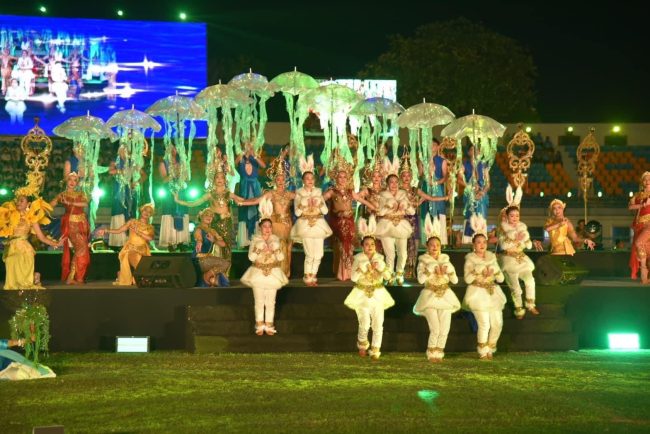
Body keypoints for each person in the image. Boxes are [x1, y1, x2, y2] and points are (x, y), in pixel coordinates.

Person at [173, 170, 246, 273]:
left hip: (226, 224)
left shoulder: (229, 194)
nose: (220, 179)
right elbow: (194, 203)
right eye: (217, 177)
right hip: (214, 223)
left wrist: (260, 198)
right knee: (214, 245)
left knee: (226, 247)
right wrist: (178, 201)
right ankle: (213, 274)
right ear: (213, 180)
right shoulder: (210, 194)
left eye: (222, 177)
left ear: (225, 180)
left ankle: (224, 274)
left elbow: (243, 200)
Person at [344, 217, 394, 361]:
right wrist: (361, 269)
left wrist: (382, 268)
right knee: (364, 322)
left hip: (378, 294)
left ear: (376, 246)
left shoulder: (380, 259)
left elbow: (388, 276)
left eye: (372, 244)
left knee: (378, 323)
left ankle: (376, 348)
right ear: (362, 246)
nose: (370, 247)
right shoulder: (358, 259)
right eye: (367, 244)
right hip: (362, 295)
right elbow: (353, 277)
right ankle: (362, 344)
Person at [239, 155, 296, 277]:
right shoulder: (271, 193)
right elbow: (257, 200)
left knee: (288, 250)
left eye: (283, 179)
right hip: (277, 225)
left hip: (288, 224)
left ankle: (286, 273)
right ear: (275, 181)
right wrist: (243, 202)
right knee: (279, 248)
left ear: (286, 180)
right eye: (278, 179)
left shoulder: (290, 194)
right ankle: (278, 273)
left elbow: (303, 198)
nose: (280, 181)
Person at [413, 215, 461, 362]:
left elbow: (455, 280)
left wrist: (448, 271)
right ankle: (431, 351)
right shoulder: (423, 261)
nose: (435, 248)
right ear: (427, 247)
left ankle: (439, 352)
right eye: (432, 245)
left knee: (445, 328)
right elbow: (421, 279)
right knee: (435, 328)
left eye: (437, 245)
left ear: (441, 247)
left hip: (446, 296)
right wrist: (431, 269)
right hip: (429, 296)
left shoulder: (446, 261)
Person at [323, 155, 376, 281]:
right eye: (340, 177)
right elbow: (320, 199)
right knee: (343, 245)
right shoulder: (332, 191)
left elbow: (360, 199)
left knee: (349, 246)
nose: (342, 179)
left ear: (347, 179)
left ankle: (347, 272)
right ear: (336, 178)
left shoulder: (350, 191)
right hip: (338, 222)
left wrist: (373, 207)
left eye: (344, 177)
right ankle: (342, 274)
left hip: (350, 221)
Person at [1, 194, 64, 290]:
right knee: (10, 260)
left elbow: (42, 237)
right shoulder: (10, 215)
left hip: (24, 249)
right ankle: (34, 277)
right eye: (18, 200)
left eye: (22, 201)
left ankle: (33, 277)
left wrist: (57, 244)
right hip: (12, 247)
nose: (18, 203)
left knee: (17, 262)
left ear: (28, 204)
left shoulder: (32, 218)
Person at [400, 155, 447, 280]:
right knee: (402, 248)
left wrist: (444, 197)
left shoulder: (415, 190)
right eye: (404, 175)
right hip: (400, 222)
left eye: (408, 175)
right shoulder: (397, 190)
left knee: (414, 247)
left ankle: (411, 270)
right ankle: (401, 271)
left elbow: (430, 198)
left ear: (411, 177)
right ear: (400, 177)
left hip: (413, 221)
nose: (406, 178)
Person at [463, 230, 507, 360]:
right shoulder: (470, 260)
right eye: (478, 242)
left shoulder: (491, 258)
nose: (481, 245)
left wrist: (495, 272)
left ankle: (491, 347)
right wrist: (478, 271)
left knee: (498, 323)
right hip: (477, 294)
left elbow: (501, 279)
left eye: (484, 242)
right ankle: (483, 350)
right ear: (474, 245)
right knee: (484, 324)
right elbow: (467, 279)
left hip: (493, 294)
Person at [240, 217, 288, 336]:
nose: (267, 229)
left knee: (271, 301)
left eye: (269, 226)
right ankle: (259, 324)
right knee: (259, 301)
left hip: (273, 272)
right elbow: (251, 258)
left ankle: (269, 324)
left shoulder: (276, 240)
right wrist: (259, 248)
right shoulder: (255, 240)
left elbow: (281, 258)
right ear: (260, 228)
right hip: (258, 273)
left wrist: (275, 250)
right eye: (265, 226)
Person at [290, 155, 333, 286]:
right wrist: (303, 203)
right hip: (305, 224)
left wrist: (319, 203)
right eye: (307, 178)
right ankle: (307, 277)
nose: (310, 180)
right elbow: (297, 212)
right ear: (303, 180)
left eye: (312, 178)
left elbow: (325, 211)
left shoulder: (319, 192)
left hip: (319, 224)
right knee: (309, 254)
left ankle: (313, 275)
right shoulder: (299, 193)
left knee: (319, 254)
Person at [498, 199, 538, 319]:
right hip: (509, 260)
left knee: (530, 280)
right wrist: (516, 239)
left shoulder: (522, 229)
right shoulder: (503, 229)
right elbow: (503, 246)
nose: (515, 218)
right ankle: (519, 308)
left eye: (517, 215)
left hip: (521, 259)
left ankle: (530, 304)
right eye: (512, 215)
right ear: (507, 216)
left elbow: (528, 245)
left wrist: (526, 240)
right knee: (516, 288)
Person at [49, 172, 90, 285]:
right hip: (70, 223)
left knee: (81, 250)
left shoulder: (81, 193)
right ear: (66, 181)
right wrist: (43, 206)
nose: (72, 182)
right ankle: (75, 277)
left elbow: (85, 204)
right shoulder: (62, 194)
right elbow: (50, 204)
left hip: (82, 223)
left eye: (74, 180)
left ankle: (73, 277)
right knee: (82, 249)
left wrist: (70, 202)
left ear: (77, 183)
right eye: (70, 180)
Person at [100, 203, 155, 286]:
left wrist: (138, 232)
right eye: (145, 210)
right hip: (131, 249)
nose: (146, 213)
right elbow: (119, 230)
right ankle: (135, 278)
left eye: (149, 212)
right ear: (141, 211)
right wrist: (107, 230)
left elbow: (150, 238)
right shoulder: (132, 221)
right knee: (137, 259)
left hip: (143, 250)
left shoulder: (150, 227)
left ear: (151, 215)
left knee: (145, 266)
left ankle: (124, 275)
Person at [375, 172, 414, 285]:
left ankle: (400, 273)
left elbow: (412, 212)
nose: (394, 184)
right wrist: (389, 205)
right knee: (390, 254)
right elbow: (380, 212)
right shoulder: (383, 195)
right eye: (391, 182)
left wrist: (405, 206)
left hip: (401, 225)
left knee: (403, 253)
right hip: (386, 225)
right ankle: (389, 275)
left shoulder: (403, 195)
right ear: (387, 184)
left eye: (396, 182)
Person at [158, 145, 190, 251]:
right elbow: (164, 180)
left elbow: (187, 178)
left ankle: (181, 241)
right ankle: (171, 241)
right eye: (170, 148)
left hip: (181, 191)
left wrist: (181, 173)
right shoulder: (163, 163)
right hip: (169, 192)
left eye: (174, 148)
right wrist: (173, 173)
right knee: (170, 213)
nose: (172, 150)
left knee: (181, 212)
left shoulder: (182, 163)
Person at [235, 143, 266, 247]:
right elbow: (234, 164)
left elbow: (263, 165)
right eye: (247, 145)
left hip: (255, 187)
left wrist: (254, 154)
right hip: (244, 187)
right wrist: (243, 153)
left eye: (251, 145)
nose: (249, 147)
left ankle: (255, 238)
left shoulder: (255, 156)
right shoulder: (240, 156)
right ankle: (245, 240)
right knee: (244, 210)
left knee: (256, 210)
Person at [419, 138, 449, 245]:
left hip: (438, 189)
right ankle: (425, 240)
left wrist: (436, 183)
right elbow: (420, 174)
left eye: (434, 145)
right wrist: (423, 164)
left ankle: (440, 240)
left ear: (438, 147)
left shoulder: (442, 160)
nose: (432, 147)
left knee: (438, 212)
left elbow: (445, 177)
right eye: (429, 144)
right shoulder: (423, 159)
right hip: (426, 188)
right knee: (425, 211)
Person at [458, 144, 490, 244]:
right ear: (469, 152)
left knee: (481, 216)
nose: (475, 151)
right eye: (472, 149)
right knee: (469, 216)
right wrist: (470, 186)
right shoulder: (464, 164)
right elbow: (459, 179)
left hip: (481, 194)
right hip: (469, 194)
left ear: (480, 152)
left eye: (477, 149)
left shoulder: (484, 165)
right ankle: (468, 241)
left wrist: (482, 192)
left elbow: (488, 183)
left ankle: (481, 241)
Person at [108, 145, 138, 248]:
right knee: (119, 211)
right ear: (119, 151)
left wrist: (135, 181)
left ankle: (129, 240)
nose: (125, 152)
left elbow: (141, 175)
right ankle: (118, 242)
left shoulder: (132, 162)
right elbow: (110, 171)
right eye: (123, 150)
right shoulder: (115, 161)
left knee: (130, 212)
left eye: (127, 150)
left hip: (129, 191)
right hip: (119, 191)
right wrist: (120, 171)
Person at [192, 208, 230, 287]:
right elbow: (198, 237)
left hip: (207, 258)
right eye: (206, 215)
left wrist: (214, 240)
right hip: (199, 259)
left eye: (211, 216)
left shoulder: (212, 231)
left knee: (226, 265)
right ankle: (206, 277)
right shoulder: (198, 229)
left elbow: (223, 244)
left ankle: (210, 279)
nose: (209, 217)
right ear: (201, 217)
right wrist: (199, 242)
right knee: (225, 264)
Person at [629, 171, 650, 283]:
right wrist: (642, 205)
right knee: (644, 248)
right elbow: (631, 207)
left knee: (639, 243)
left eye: (649, 179)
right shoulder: (638, 195)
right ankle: (645, 276)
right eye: (645, 179)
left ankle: (644, 272)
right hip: (640, 225)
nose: (647, 181)